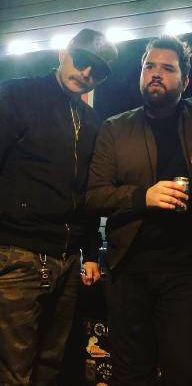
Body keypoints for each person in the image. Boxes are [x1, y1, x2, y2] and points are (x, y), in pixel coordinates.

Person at [85, 35, 192, 386]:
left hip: (190, 274)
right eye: (149, 66)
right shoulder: (115, 128)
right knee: (131, 375)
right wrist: (142, 197)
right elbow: (94, 196)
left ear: (185, 81)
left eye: (167, 68)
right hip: (128, 271)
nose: (156, 74)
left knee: (185, 374)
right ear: (140, 74)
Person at [0, 28, 118, 385]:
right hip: (15, 254)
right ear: (64, 53)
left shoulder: (93, 121)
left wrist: (91, 253)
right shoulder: (16, 95)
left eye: (98, 71)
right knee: (14, 370)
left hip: (67, 262)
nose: (87, 73)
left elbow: (89, 192)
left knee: (51, 366)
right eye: (82, 60)